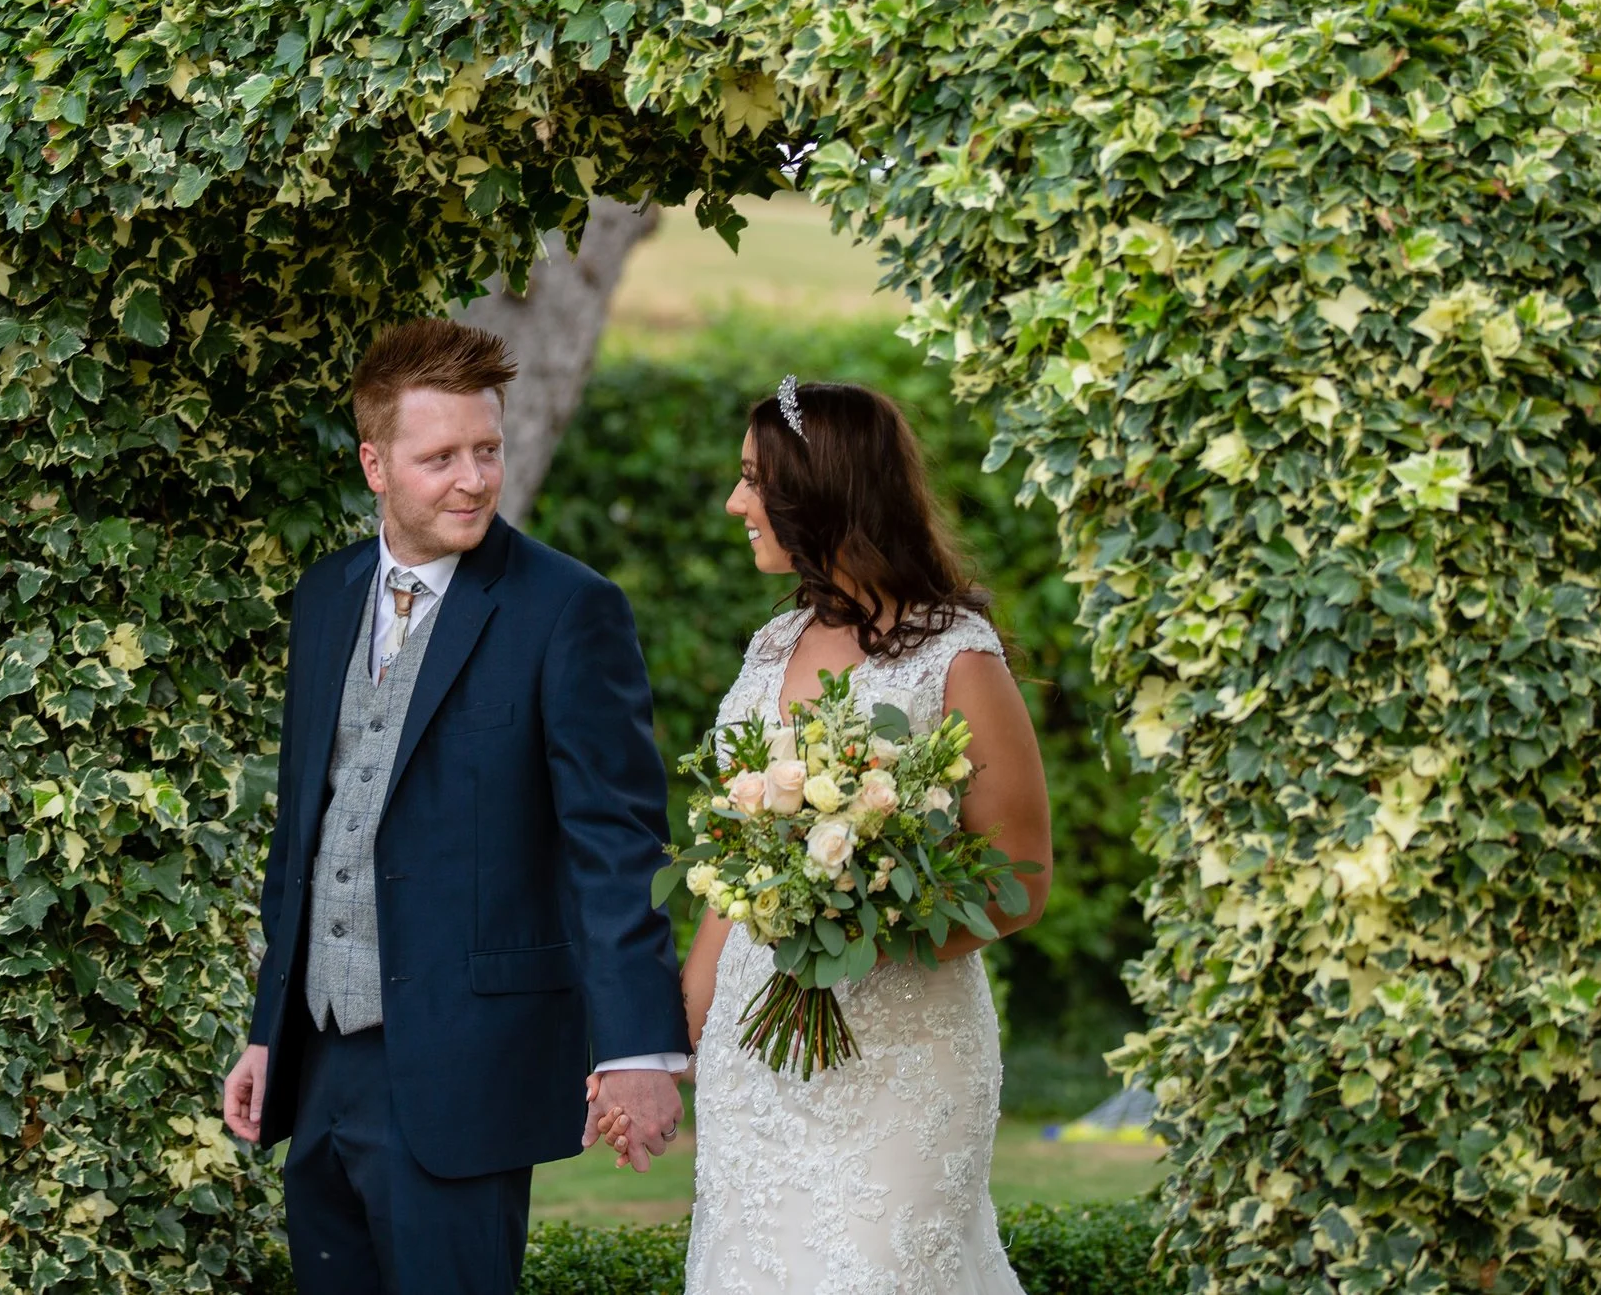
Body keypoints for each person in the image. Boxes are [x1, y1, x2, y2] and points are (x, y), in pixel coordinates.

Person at [219, 317, 689, 1295]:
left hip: (467, 1059)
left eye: (487, 449)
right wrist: (269, 1030)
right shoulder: (325, 596)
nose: (474, 478)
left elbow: (616, 844)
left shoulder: (567, 607)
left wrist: (640, 1046)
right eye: (440, 457)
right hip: (321, 1054)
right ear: (375, 462)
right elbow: (305, 827)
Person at [595, 376, 1053, 1294]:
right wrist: (667, 1046)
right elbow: (736, 869)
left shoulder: (955, 654)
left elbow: (1023, 877)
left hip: (905, 1058)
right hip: (756, 1062)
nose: (735, 503)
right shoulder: (771, 647)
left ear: (823, 492)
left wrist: (869, 933)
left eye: (755, 480)